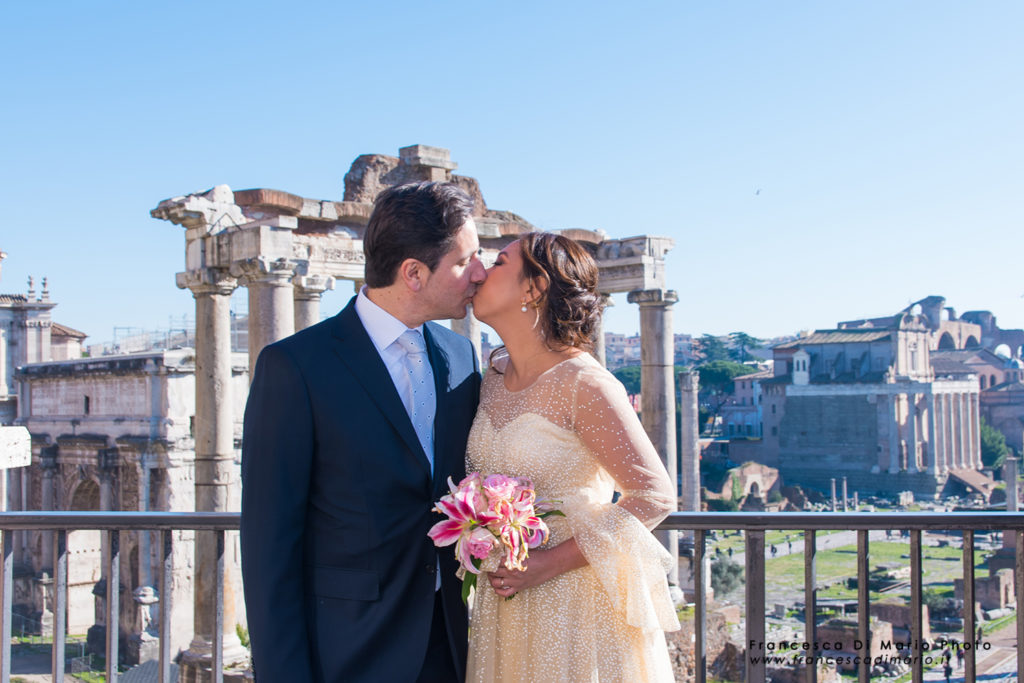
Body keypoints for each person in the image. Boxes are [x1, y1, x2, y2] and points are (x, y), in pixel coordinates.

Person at [240, 182, 487, 682]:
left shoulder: (463, 358)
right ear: (413, 273)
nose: (480, 274)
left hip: (453, 648)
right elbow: (269, 547)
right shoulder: (295, 367)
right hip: (349, 652)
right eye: (467, 261)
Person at [465, 232, 680, 682]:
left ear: (534, 288)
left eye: (499, 262)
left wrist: (545, 563)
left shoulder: (586, 383)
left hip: (575, 601)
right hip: (504, 599)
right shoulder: (490, 377)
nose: (481, 271)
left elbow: (655, 495)